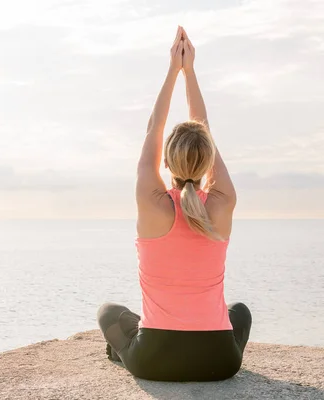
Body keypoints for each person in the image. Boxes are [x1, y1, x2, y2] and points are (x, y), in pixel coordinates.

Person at [96, 26, 252, 382]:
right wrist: (191, 71)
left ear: (166, 163)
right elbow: (205, 128)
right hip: (220, 361)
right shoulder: (223, 202)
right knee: (240, 312)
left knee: (109, 312)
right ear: (209, 158)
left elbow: (154, 128)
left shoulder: (151, 204)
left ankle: (124, 353)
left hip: (156, 360)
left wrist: (174, 68)